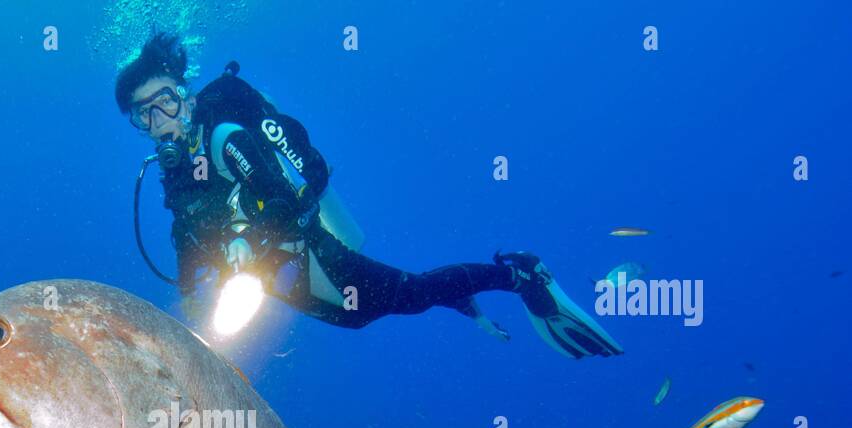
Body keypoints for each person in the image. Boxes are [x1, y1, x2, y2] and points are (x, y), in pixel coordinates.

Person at [114, 33, 623, 359]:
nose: (161, 120)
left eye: (167, 101)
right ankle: (456, 296)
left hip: (308, 253)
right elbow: (185, 231)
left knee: (408, 296)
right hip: (272, 279)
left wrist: (247, 238)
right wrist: (184, 295)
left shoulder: (226, 138)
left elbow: (279, 199)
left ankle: (520, 274)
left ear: (187, 94)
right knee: (354, 318)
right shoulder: (173, 172)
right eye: (145, 114)